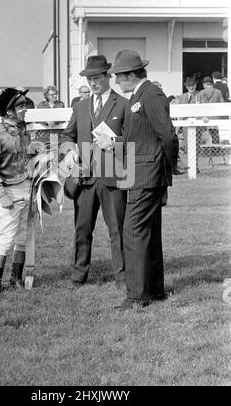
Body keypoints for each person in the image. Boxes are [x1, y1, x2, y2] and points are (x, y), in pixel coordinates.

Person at [95, 50, 179, 309]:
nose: (117, 82)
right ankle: (153, 290)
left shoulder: (150, 94)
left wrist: (166, 168)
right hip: (143, 173)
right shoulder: (139, 95)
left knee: (133, 232)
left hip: (147, 175)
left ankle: (137, 296)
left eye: (119, 76)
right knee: (149, 234)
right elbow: (141, 139)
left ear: (132, 75)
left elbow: (168, 136)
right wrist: (114, 143)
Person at [60, 55, 128, 289]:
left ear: (108, 76)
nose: (93, 83)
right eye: (90, 79)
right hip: (84, 178)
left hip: (114, 175)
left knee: (118, 230)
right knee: (82, 229)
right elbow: (67, 136)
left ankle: (123, 278)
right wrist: (69, 151)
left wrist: (115, 142)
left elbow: (132, 138)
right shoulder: (80, 106)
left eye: (97, 78)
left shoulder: (124, 104)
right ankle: (78, 277)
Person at [0, 88, 35, 293]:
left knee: (23, 237)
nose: (25, 109)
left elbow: (27, 158)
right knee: (7, 238)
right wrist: (1, 194)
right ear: (9, 111)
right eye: (21, 106)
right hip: (9, 193)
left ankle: (16, 279)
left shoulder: (23, 130)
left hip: (28, 189)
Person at [196, 76, 224, 145]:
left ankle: (203, 149)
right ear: (212, 84)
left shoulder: (201, 93)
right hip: (215, 116)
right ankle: (216, 149)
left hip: (204, 117)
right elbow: (222, 104)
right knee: (214, 133)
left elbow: (197, 105)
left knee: (202, 134)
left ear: (204, 84)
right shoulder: (218, 92)